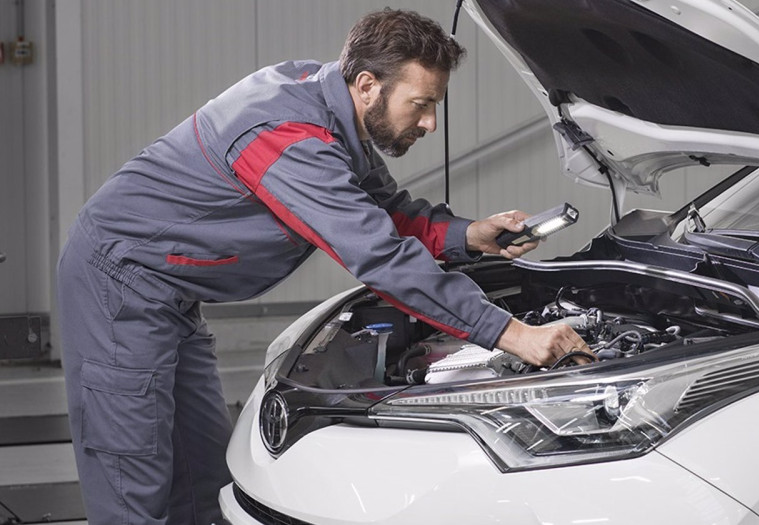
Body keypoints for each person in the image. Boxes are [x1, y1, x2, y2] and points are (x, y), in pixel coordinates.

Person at [56, 8, 589, 524]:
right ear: (366, 85)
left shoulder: (332, 113)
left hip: (174, 291)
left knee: (199, 472)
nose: (429, 122)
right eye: (421, 104)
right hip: (120, 285)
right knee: (133, 476)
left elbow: (387, 212)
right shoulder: (287, 135)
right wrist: (510, 333)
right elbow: (378, 254)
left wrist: (469, 235)